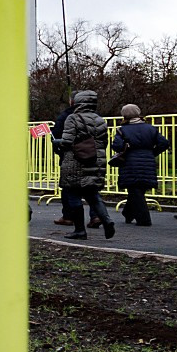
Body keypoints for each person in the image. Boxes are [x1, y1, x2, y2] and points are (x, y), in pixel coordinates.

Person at [55, 90, 116, 240]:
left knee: (73, 194)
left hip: (76, 161)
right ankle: (107, 221)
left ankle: (80, 230)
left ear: (78, 102)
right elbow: (104, 142)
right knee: (93, 194)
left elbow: (68, 142)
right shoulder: (100, 120)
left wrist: (57, 142)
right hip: (95, 160)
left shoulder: (72, 118)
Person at [110, 103, 172, 227]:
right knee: (139, 190)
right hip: (148, 161)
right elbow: (164, 143)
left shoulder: (122, 130)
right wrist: (152, 152)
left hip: (130, 162)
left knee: (134, 189)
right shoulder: (150, 128)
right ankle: (128, 213)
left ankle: (144, 219)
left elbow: (116, 145)